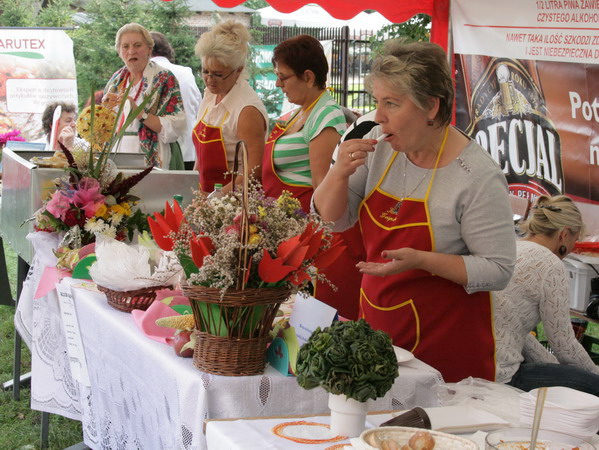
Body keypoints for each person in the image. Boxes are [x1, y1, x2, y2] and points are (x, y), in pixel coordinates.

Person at [313, 39, 516, 383]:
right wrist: (338, 173)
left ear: (431, 107)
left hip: (446, 352)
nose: (379, 116)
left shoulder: (477, 177)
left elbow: (498, 269)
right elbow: (333, 220)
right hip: (378, 333)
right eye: (378, 102)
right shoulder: (378, 146)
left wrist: (422, 260)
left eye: (391, 103)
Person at [262, 34, 364, 320]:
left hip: (312, 238)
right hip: (289, 232)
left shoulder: (325, 116)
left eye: (283, 77)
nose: (278, 84)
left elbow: (322, 184)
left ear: (308, 76)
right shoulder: (298, 114)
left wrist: (306, 246)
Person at [494, 195, 599, 396]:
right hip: (503, 374)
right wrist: (595, 374)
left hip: (482, 362)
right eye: (574, 242)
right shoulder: (550, 265)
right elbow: (564, 346)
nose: (570, 250)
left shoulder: (511, 247)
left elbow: (515, 331)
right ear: (564, 234)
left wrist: (554, 366)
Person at [193, 20, 268, 194]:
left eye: (218, 74)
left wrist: (215, 199)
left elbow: (253, 172)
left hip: (232, 203)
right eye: (205, 71)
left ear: (238, 70)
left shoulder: (247, 110)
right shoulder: (210, 95)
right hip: (204, 195)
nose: (210, 80)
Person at [103, 23, 186, 169]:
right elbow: (107, 128)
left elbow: (175, 127)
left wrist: (140, 113)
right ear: (119, 51)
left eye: (137, 45)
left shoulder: (164, 78)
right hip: (118, 156)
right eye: (125, 46)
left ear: (149, 49)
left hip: (153, 156)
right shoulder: (115, 81)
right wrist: (103, 113)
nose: (131, 51)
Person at [150, 31, 202, 171]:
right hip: (189, 152)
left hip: (160, 153)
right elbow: (198, 108)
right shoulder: (186, 72)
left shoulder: (146, 75)